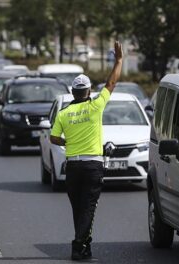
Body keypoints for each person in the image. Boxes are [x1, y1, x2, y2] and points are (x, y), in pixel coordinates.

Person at [50, 41, 123, 261]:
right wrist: (119, 60)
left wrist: (68, 142)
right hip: (93, 165)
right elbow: (111, 83)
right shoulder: (95, 106)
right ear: (89, 91)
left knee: (79, 208)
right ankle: (77, 245)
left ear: (73, 92)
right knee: (88, 207)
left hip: (72, 165)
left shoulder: (64, 113)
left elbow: (53, 137)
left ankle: (85, 245)